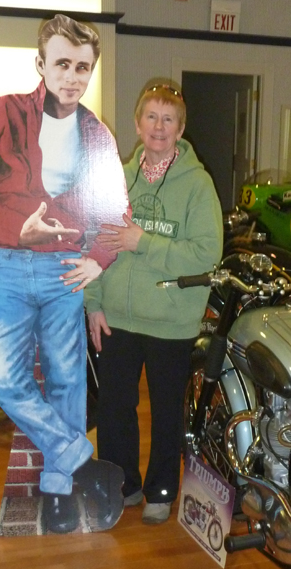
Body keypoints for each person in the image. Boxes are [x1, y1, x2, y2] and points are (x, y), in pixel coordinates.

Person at [0, 14, 130, 534]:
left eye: (82, 67)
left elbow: (116, 210)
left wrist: (99, 259)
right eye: (62, 64)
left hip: (64, 271)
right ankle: (81, 461)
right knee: (3, 376)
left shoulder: (96, 135)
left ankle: (58, 489)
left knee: (68, 380)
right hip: (7, 267)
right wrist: (15, 230)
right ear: (40, 64)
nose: (72, 77)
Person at [85, 84, 223, 525]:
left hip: (170, 321)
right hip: (117, 317)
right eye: (151, 117)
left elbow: (206, 255)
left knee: (167, 413)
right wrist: (93, 303)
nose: (158, 127)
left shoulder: (197, 185)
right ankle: (123, 484)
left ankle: (161, 491)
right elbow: (94, 244)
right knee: (114, 409)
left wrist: (142, 241)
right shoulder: (117, 178)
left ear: (180, 129)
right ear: (137, 123)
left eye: (168, 119)